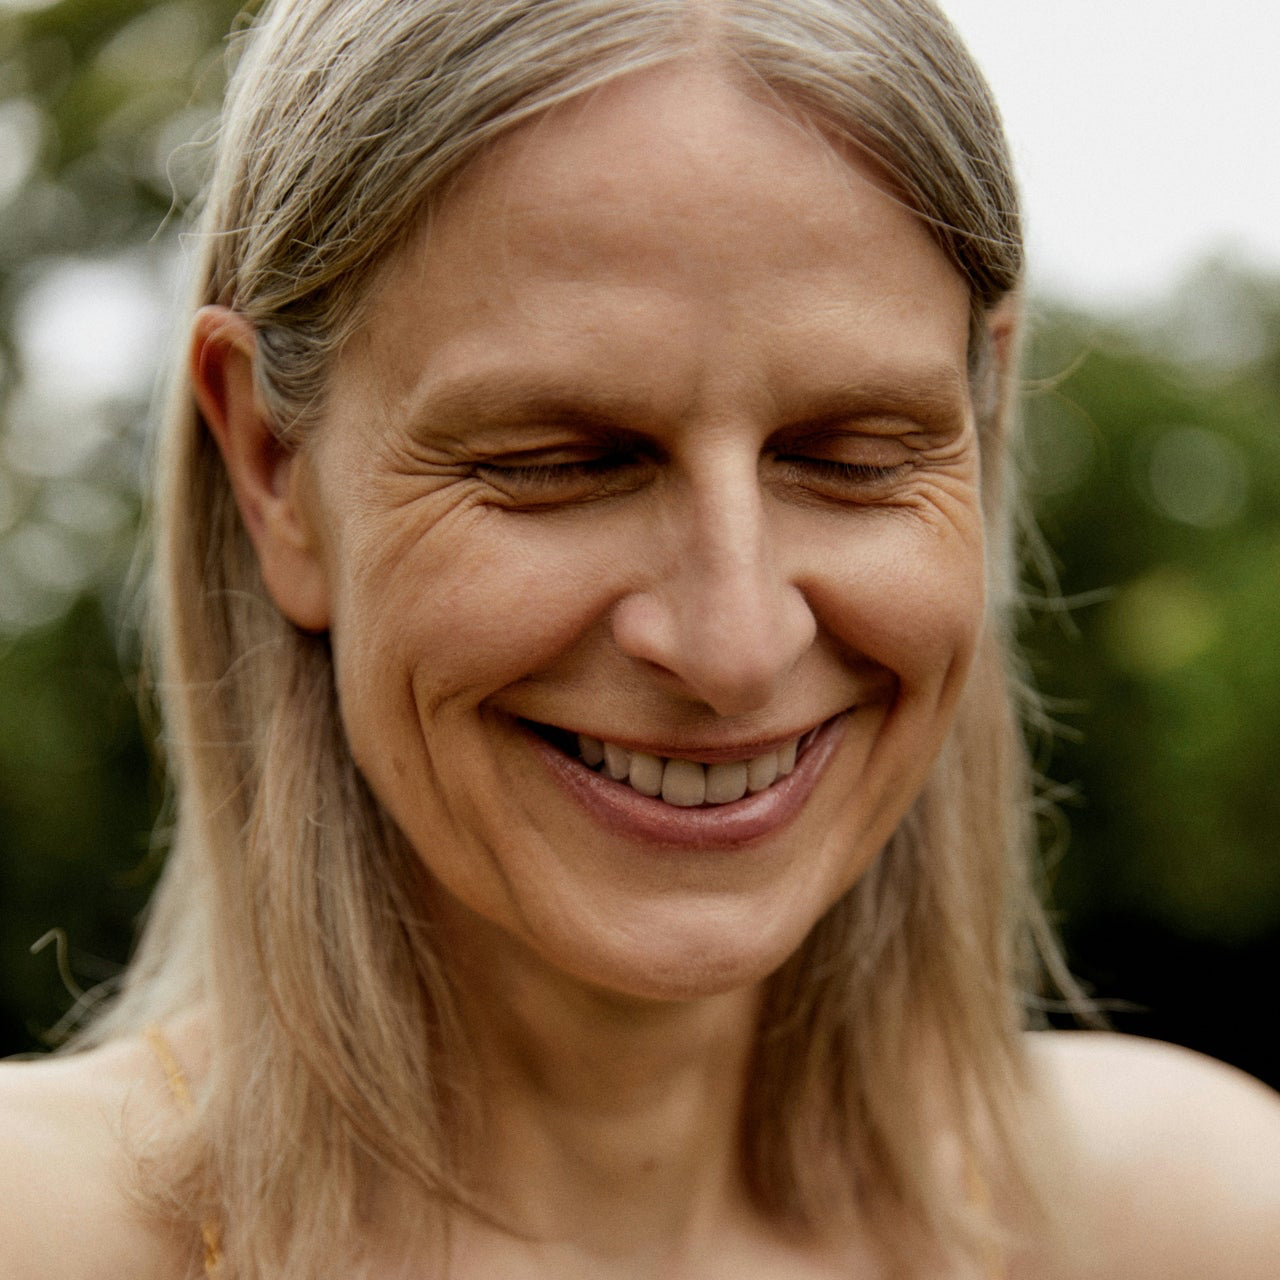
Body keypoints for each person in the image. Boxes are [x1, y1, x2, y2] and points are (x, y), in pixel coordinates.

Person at [1, 1, 1278, 1276]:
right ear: (274, 470)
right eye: (555, 463)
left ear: (984, 423)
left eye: (851, 457)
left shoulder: (1186, 1221)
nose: (733, 645)